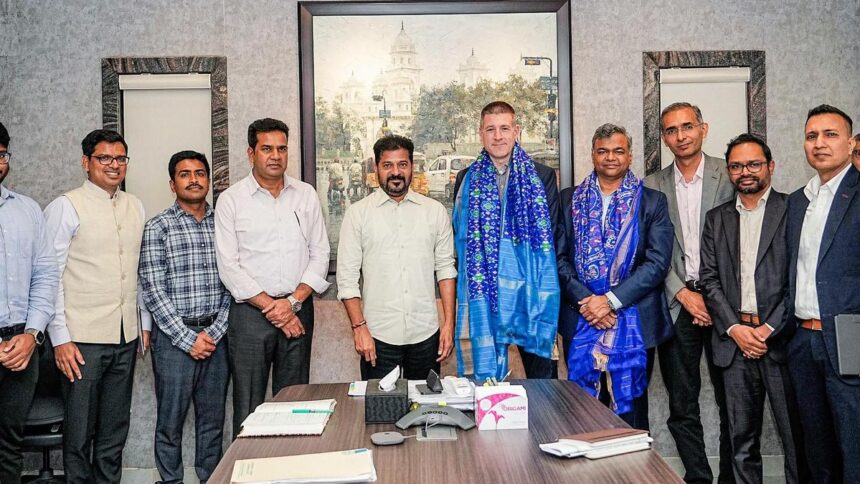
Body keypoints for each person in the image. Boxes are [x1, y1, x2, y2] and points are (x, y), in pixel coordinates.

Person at [700, 133, 808, 484]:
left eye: (753, 164)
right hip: (734, 345)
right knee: (741, 443)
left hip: (781, 342)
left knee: (795, 440)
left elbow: (799, 277)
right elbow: (709, 280)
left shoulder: (793, 210)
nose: (744, 172)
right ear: (728, 171)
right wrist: (736, 329)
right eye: (736, 166)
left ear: (770, 166)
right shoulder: (716, 219)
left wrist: (766, 329)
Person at [43, 129, 150, 483]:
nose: (113, 165)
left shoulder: (135, 206)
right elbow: (49, 276)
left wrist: (143, 324)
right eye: (104, 158)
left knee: (114, 432)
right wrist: (60, 338)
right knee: (79, 433)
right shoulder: (66, 206)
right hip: (80, 341)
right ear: (86, 162)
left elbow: (137, 271)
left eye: (120, 158)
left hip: (125, 337)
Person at [215, 118, 330, 439]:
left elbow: (320, 253)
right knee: (248, 403)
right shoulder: (231, 200)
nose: (276, 156)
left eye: (282, 148)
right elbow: (229, 266)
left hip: (298, 308)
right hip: (250, 315)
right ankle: (247, 464)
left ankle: (291, 462)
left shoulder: (305, 195)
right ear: (251, 153)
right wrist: (274, 308)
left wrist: (291, 304)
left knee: (295, 401)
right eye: (267, 149)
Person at [643, 102, 735, 484]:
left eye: (687, 126)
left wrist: (713, 298)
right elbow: (647, 252)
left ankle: (731, 478)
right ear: (664, 138)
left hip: (725, 305)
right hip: (676, 304)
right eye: (671, 130)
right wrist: (682, 293)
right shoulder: (650, 185)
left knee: (734, 404)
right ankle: (698, 477)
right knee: (682, 405)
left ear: (703, 128)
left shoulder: (729, 174)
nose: (680, 136)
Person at [559, 123, 673, 430]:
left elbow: (657, 263)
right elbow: (558, 258)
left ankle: (633, 462)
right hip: (581, 316)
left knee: (631, 410)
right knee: (583, 409)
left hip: (633, 318)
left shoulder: (652, 201)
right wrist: (588, 302)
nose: (611, 157)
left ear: (630, 155)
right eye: (603, 151)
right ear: (593, 155)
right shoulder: (569, 199)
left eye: (618, 151)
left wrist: (609, 301)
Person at [451, 101, 562, 380]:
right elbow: (459, 237)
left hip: (530, 293)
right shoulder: (466, 179)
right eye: (491, 129)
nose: (498, 136)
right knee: (484, 383)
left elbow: (552, 235)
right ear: (481, 134)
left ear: (516, 131)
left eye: (504, 128)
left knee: (543, 383)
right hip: (482, 290)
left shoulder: (542, 175)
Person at [139, 150, 230, 484]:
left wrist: (215, 332)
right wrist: (188, 339)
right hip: (173, 340)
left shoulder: (225, 223)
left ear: (209, 180)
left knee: (212, 421)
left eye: (200, 173)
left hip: (217, 338)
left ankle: (211, 478)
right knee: (170, 422)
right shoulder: (157, 227)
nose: (194, 180)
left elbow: (235, 281)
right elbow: (153, 288)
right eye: (185, 174)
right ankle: (171, 481)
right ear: (172, 183)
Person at [337, 135, 456, 380]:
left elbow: (445, 270)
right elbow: (347, 279)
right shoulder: (358, 215)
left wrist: (448, 325)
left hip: (426, 335)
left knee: (425, 404)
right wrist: (359, 328)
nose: (395, 172)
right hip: (377, 337)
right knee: (379, 404)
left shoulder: (434, 212)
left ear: (412, 167)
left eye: (402, 164)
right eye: (387, 165)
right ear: (376, 168)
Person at [784, 104, 860, 483]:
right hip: (802, 340)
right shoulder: (799, 201)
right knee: (816, 451)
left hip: (850, 338)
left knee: (854, 448)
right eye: (811, 136)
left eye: (830, 135)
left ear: (851, 143)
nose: (819, 143)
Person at [0, 121, 59, 484]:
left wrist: (32, 335)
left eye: (2, 154)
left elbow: (46, 276)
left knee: (9, 445)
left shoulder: (27, 210)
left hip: (21, 347)